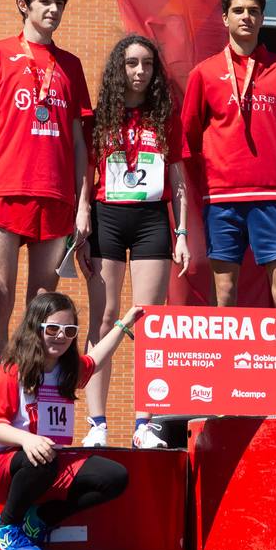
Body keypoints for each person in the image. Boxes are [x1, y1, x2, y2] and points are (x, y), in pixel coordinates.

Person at [0, 0, 93, 438]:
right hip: (4, 191)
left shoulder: (71, 66)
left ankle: (31, 410)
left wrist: (83, 206)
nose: (52, 10)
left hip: (57, 197)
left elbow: (81, 142)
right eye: (44, 1)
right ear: (23, 3)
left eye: (59, 2)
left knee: (41, 310)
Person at [80, 35, 190, 449]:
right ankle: (97, 424)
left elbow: (178, 181)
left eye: (146, 64)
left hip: (151, 221)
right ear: (118, 68)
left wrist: (181, 233)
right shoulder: (101, 118)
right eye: (131, 63)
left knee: (147, 323)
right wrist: (82, 216)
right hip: (107, 216)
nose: (139, 71)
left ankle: (145, 425)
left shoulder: (164, 117)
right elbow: (85, 174)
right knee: (104, 319)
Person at [0, 293, 141, 550]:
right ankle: (6, 526)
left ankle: (38, 520)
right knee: (41, 456)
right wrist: (27, 440)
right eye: (52, 329)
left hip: (46, 460)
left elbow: (96, 359)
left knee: (114, 477)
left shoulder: (67, 370)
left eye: (69, 331)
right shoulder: (12, 369)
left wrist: (124, 324)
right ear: (35, 328)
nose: (61, 337)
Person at [182, 0, 276, 307]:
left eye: (253, 11)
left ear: (263, 18)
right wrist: (209, 178)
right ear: (225, 18)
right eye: (238, 11)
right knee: (224, 290)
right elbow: (189, 137)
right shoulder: (205, 73)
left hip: (273, 195)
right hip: (222, 195)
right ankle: (226, 359)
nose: (246, 17)